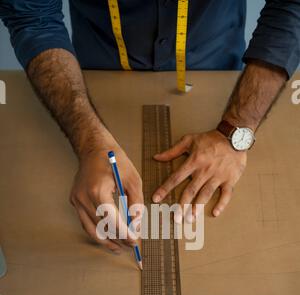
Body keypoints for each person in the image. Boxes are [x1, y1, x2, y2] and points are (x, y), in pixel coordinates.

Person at [1, 0, 300, 254]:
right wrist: (88, 140)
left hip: (215, 72)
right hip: (96, 73)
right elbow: (32, 15)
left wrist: (236, 131)